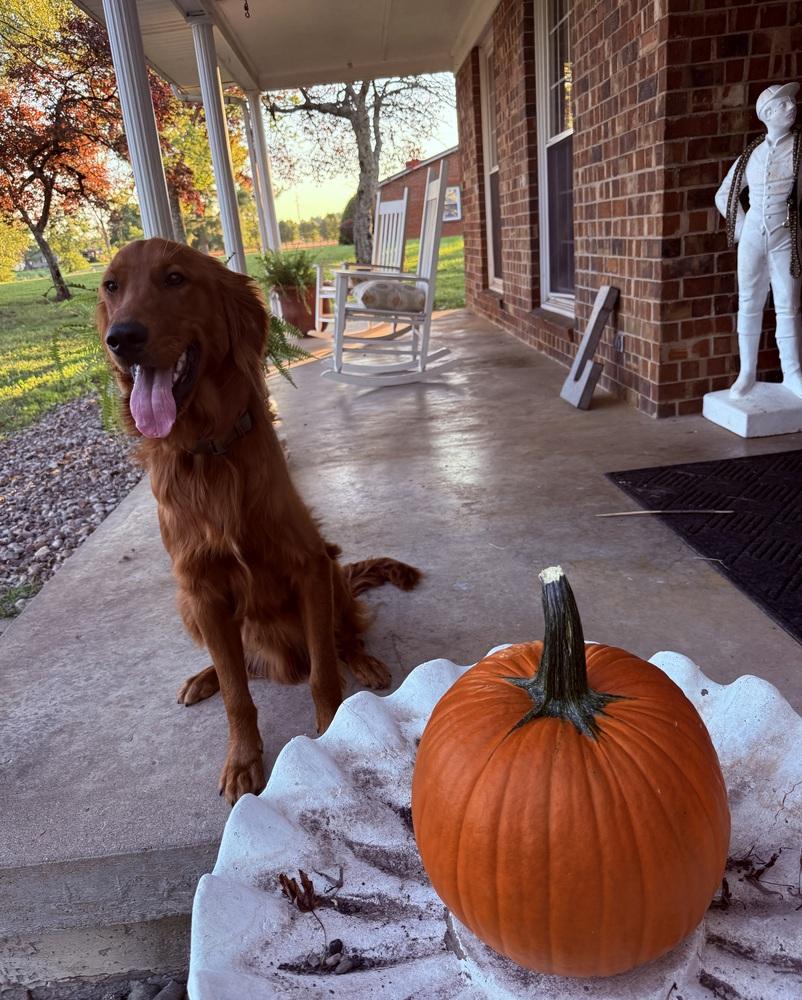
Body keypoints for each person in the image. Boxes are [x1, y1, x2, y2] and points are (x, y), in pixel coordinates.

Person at [714, 82, 802, 398]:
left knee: (788, 305)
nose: (792, 106)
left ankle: (792, 374)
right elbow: (724, 194)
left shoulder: (800, 149)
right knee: (749, 303)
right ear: (766, 113)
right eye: (783, 104)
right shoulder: (752, 153)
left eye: (792, 102)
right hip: (752, 238)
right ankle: (747, 373)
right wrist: (741, 229)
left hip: (786, 239)